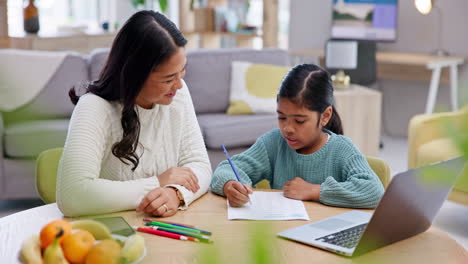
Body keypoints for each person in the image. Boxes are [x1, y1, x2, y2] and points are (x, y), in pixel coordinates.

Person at [56, 11, 212, 217]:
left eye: (182, 72)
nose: (179, 84)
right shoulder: (94, 107)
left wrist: (175, 193)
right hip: (109, 233)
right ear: (134, 75)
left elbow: (200, 166)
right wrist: (157, 183)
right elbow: (72, 195)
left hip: (160, 228)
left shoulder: (179, 96)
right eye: (168, 79)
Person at [210, 64, 384, 208]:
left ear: (325, 116)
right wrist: (230, 185)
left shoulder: (341, 149)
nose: (288, 128)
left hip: (324, 240)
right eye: (281, 117)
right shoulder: (273, 143)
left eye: (299, 121)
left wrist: (316, 191)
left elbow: (374, 191)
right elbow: (225, 169)